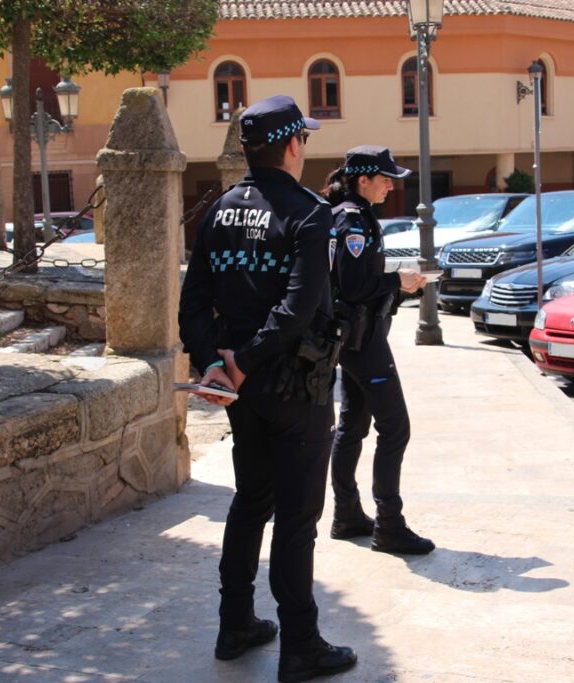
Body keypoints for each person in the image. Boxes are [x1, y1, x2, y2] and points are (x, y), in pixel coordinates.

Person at [178, 95, 357, 683]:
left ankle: (235, 625)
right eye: (304, 138)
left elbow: (193, 301)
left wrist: (214, 365)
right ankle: (301, 646)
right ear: (293, 145)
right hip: (293, 389)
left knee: (252, 500)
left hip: (240, 391)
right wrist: (247, 363)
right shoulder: (310, 213)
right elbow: (300, 305)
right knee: (297, 518)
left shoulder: (220, 210)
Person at [323, 145, 435, 555]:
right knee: (395, 428)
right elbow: (352, 288)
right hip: (362, 340)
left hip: (356, 338)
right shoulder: (352, 220)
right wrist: (397, 282)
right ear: (362, 179)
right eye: (385, 178)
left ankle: (347, 514)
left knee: (353, 425)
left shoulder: (351, 215)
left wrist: (396, 285)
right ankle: (389, 524)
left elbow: (354, 281)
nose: (391, 185)